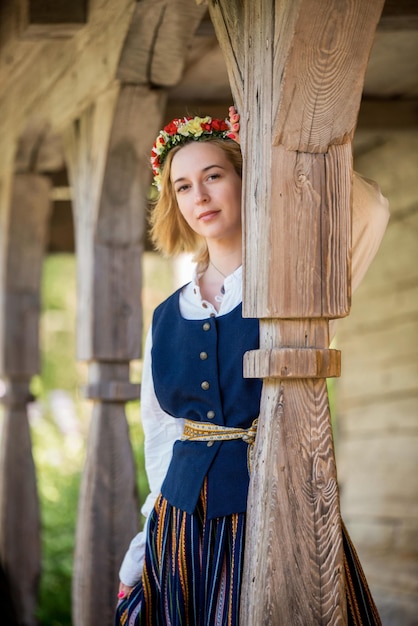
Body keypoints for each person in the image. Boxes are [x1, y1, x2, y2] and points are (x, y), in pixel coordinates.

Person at [115, 108, 389, 625]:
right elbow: (162, 438)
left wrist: (271, 148)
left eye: (214, 176)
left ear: (246, 178)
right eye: (183, 186)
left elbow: (370, 208)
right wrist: (141, 551)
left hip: (279, 511)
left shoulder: (303, 283)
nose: (199, 196)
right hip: (182, 530)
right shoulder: (167, 315)